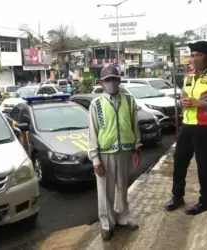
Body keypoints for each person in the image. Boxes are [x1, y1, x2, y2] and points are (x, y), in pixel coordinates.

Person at [165, 41, 207, 215]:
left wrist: (200, 104)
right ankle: (177, 196)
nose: (195, 59)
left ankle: (204, 202)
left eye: (199, 55)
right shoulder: (188, 75)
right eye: (193, 55)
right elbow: (184, 96)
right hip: (187, 125)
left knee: (203, 165)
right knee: (179, 161)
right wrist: (182, 102)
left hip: (206, 126)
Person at [88, 65, 141, 241]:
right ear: (102, 83)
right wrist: (95, 159)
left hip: (125, 151)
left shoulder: (129, 101)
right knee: (105, 192)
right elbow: (92, 133)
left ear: (119, 80)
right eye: (107, 80)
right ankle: (106, 224)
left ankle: (123, 219)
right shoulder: (96, 104)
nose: (111, 83)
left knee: (122, 188)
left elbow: (135, 125)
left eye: (114, 79)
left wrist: (136, 148)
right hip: (104, 154)